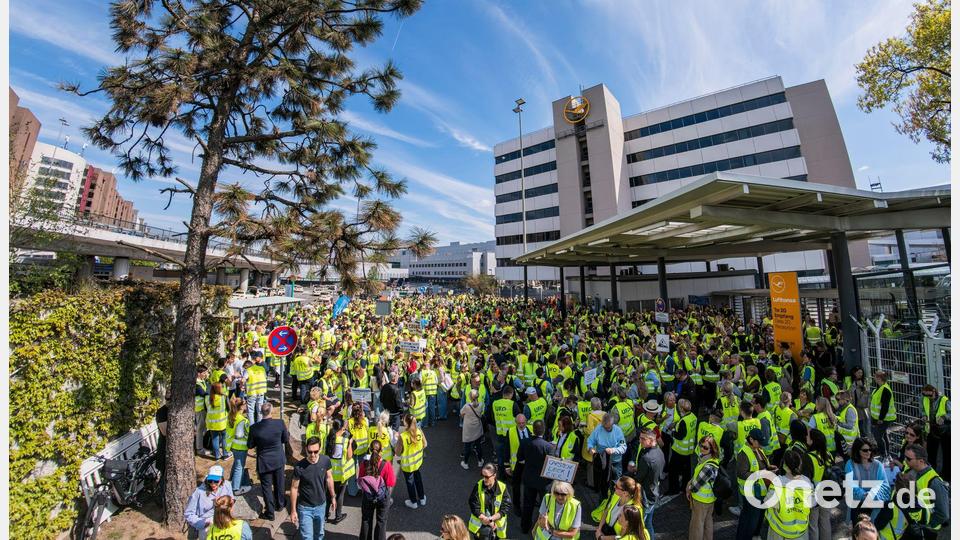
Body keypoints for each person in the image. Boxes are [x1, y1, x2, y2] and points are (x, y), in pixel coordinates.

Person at [247, 402, 288, 521]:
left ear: (261, 412)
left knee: (267, 488)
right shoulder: (280, 423)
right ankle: (280, 504)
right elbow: (285, 439)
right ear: (271, 411)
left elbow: (250, 445)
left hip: (264, 461)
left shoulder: (254, 428)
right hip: (278, 459)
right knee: (280, 483)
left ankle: (270, 512)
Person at [290, 436, 336, 540]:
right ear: (306, 449)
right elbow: (294, 488)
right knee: (307, 537)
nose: (313, 455)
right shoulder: (299, 467)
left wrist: (333, 497)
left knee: (319, 535)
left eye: (316, 451)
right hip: (305, 508)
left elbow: (329, 478)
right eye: (310, 452)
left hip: (321, 506)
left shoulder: (325, 460)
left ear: (320, 449)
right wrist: (293, 510)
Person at [764, 448, 813, 540]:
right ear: (800, 464)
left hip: (779, 532)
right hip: (800, 532)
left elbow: (768, 503)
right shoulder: (807, 482)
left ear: (784, 465)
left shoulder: (778, 483)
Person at [902, 444, 950, 538]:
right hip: (911, 524)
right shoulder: (910, 469)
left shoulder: (935, 483)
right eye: (905, 457)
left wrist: (925, 525)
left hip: (927, 530)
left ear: (921, 461)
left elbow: (943, 515)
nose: (905, 460)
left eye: (908, 458)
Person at [735, 429, 772, 540]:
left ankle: (754, 535)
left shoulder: (757, 449)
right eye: (759, 442)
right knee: (751, 519)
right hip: (751, 492)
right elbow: (742, 473)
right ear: (751, 440)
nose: (761, 445)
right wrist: (762, 474)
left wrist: (769, 468)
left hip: (760, 491)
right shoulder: (744, 453)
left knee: (754, 517)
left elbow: (761, 465)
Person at [521, 420, 556, 533]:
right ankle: (542, 529)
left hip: (529, 479)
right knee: (545, 507)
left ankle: (525, 527)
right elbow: (552, 466)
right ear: (544, 430)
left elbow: (520, 458)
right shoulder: (549, 447)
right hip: (544, 482)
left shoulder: (525, 442)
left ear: (533, 430)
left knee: (528, 504)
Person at [845, 437, 890, 523]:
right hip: (858, 506)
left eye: (870, 449)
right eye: (865, 450)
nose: (868, 452)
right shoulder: (850, 464)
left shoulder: (878, 465)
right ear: (857, 450)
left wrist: (871, 496)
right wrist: (864, 496)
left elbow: (885, 486)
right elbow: (851, 485)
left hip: (876, 506)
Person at [629, 428, 663, 539]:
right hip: (654, 492)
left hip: (645, 497)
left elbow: (638, 478)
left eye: (643, 439)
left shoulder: (646, 458)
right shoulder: (659, 451)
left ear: (651, 440)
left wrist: (634, 471)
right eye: (640, 438)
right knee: (648, 524)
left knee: (638, 526)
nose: (640, 441)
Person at [359, 439, 396, 540]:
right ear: (381, 451)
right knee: (381, 521)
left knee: (366, 520)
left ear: (370, 450)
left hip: (368, 496)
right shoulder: (386, 464)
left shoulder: (364, 463)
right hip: (382, 497)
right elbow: (391, 482)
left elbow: (360, 479)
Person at [184, 465, 234, 539]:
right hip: (206, 523)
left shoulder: (227, 485)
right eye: (210, 481)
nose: (213, 484)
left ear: (222, 479)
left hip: (224, 519)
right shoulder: (199, 492)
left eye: (216, 481)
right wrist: (203, 523)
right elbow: (188, 514)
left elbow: (231, 500)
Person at [686, 435, 721, 540]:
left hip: (701, 501)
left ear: (712, 449)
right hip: (710, 500)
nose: (702, 448)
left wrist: (688, 488)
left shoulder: (708, 467)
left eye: (705, 447)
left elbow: (696, 487)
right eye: (701, 445)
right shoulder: (710, 459)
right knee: (708, 522)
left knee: (697, 525)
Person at [468, 463, 512, 540]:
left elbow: (505, 507)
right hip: (480, 528)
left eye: (487, 477)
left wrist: (491, 519)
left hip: (497, 529)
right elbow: (474, 505)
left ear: (494, 475)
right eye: (482, 475)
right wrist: (486, 520)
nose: (484, 479)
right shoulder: (478, 486)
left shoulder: (502, 487)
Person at [587, 413, 627, 495]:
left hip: (615, 462)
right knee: (602, 484)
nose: (606, 429)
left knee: (616, 484)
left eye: (608, 427)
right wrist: (590, 448)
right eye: (604, 427)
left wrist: (613, 450)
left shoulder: (618, 431)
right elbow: (590, 440)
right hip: (602, 463)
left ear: (613, 424)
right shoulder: (598, 428)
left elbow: (623, 447)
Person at [325, 417, 354, 524]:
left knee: (328, 494)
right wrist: (350, 443)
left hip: (330, 473)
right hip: (341, 473)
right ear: (342, 428)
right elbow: (350, 456)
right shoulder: (345, 441)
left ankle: (325, 514)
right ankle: (338, 516)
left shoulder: (328, 438)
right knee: (340, 495)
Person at [397, 413, 428, 509]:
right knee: (418, 479)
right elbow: (425, 444)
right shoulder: (419, 431)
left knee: (410, 482)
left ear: (406, 423)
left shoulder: (403, 436)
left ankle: (413, 501)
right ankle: (422, 498)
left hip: (407, 465)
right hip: (417, 462)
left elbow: (397, 453)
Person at [920, 384, 950, 481]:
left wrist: (944, 417)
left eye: (929, 395)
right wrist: (924, 415)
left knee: (946, 453)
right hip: (931, 429)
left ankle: (947, 476)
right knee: (931, 453)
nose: (927, 397)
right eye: (925, 395)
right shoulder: (924, 398)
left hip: (944, 430)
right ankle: (932, 475)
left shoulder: (944, 400)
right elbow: (922, 410)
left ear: (934, 391)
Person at [507, 414, 532, 518]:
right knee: (516, 486)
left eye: (523, 423)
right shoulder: (511, 431)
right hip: (516, 464)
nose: (521, 425)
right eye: (519, 423)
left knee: (529, 484)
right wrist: (506, 465)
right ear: (515, 423)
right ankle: (516, 506)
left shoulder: (531, 429)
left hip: (529, 463)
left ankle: (531, 500)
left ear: (526, 421)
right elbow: (506, 448)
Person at [226, 396, 251, 495]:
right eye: (245, 404)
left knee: (236, 464)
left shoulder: (231, 415)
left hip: (233, 446)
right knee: (240, 466)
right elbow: (242, 434)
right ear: (242, 407)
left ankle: (232, 479)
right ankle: (235, 488)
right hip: (241, 447)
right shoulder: (242, 420)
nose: (246, 406)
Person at [869, 371, 896, 459]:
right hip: (879, 418)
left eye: (875, 377)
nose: (874, 379)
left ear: (879, 378)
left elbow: (885, 406)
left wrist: (881, 418)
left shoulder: (885, 389)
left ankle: (883, 454)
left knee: (878, 436)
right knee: (883, 435)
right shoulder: (879, 388)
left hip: (884, 418)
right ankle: (887, 453)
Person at [461, 389, 486, 469]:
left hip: (468, 428)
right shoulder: (481, 405)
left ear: (470, 397)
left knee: (467, 446)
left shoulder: (466, 406)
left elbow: (461, 414)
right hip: (477, 427)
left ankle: (465, 462)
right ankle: (479, 461)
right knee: (478, 445)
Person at [244, 355, 268, 423]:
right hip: (261, 392)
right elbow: (265, 377)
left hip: (252, 393)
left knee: (250, 411)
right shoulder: (261, 368)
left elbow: (243, 379)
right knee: (260, 410)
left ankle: (252, 427)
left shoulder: (248, 370)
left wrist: (241, 384)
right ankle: (259, 426)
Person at [195, 366, 210, 454]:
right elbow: (204, 393)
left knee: (203, 428)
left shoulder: (202, 381)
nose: (206, 374)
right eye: (204, 373)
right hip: (199, 409)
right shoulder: (196, 384)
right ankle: (199, 449)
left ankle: (203, 445)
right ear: (199, 373)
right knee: (200, 429)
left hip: (203, 408)